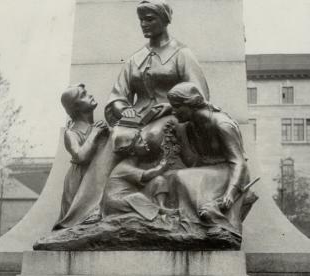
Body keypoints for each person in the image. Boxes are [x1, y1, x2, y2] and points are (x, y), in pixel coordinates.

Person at [167, 82, 257, 238]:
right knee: (171, 177)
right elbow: (193, 163)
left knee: (179, 177)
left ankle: (205, 223)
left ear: (191, 105)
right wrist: (178, 140)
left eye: (176, 106)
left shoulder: (222, 124)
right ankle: (185, 224)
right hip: (210, 172)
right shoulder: (190, 126)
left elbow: (239, 162)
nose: (173, 112)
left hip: (230, 174)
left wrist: (230, 193)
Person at [105, 0, 209, 127]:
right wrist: (124, 110)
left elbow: (198, 95)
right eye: (141, 20)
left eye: (149, 19)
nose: (143, 24)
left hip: (172, 118)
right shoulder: (134, 59)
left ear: (164, 20)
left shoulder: (182, 54)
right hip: (136, 120)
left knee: (154, 136)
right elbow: (118, 96)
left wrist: (171, 107)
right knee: (117, 138)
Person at [54, 84, 108, 229]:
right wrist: (95, 133)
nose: (90, 95)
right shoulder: (71, 133)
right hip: (79, 181)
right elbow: (80, 156)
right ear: (76, 107)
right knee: (78, 223)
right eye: (84, 95)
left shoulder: (99, 126)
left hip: (96, 178)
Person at [102, 131, 176, 220]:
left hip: (131, 196)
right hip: (116, 202)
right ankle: (158, 213)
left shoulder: (135, 163)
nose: (145, 142)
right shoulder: (124, 167)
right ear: (132, 152)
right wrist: (162, 167)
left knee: (158, 180)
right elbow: (146, 175)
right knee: (137, 197)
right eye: (140, 141)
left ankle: (162, 207)